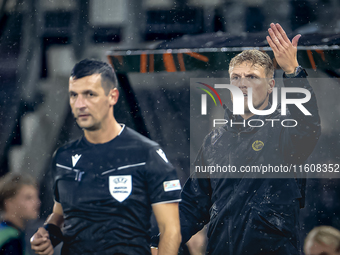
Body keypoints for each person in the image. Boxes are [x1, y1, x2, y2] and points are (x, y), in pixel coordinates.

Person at [179, 23, 321, 254]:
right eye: (236, 77)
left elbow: (308, 127)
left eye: (252, 77)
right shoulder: (214, 140)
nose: (242, 83)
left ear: (271, 86)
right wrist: (161, 241)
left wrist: (294, 71)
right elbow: (193, 204)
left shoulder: (285, 130)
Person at [30, 59, 182, 255]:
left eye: (89, 95)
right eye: (74, 95)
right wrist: (46, 235)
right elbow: (60, 214)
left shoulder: (147, 154)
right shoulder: (63, 157)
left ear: (113, 96)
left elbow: (171, 230)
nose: (80, 104)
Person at [0, 172, 40, 255]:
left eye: (37, 197)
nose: (37, 202)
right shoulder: (10, 241)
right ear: (9, 203)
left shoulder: (9, 233)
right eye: (28, 198)